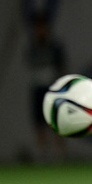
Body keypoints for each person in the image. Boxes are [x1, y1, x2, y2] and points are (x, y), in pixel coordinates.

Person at [28, 14, 66, 161]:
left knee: (54, 122)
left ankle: (59, 155)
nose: (40, 31)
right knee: (39, 123)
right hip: (37, 89)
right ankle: (42, 155)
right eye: (38, 28)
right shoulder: (33, 48)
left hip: (52, 88)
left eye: (42, 27)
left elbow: (61, 67)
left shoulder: (54, 47)